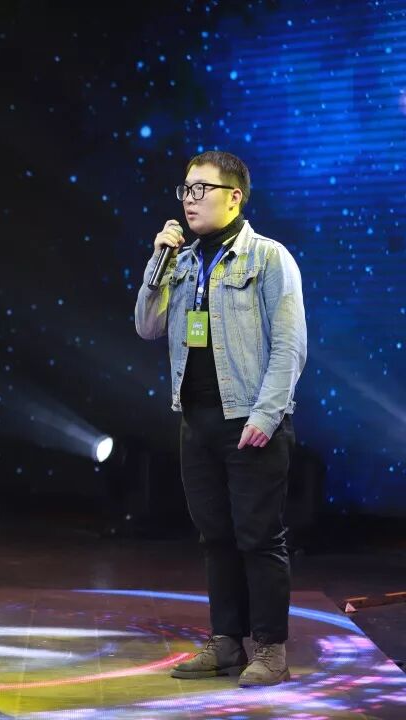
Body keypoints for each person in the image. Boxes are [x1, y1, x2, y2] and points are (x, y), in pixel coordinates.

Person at [135, 150, 307, 687]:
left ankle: (271, 650)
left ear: (234, 197)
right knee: (215, 538)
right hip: (198, 420)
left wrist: (267, 414)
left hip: (251, 420)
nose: (189, 200)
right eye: (185, 190)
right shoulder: (183, 261)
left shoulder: (268, 257)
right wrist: (157, 263)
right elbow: (146, 326)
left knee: (259, 538)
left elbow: (290, 346)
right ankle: (226, 641)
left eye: (201, 190)